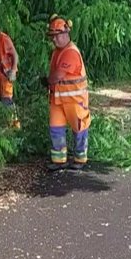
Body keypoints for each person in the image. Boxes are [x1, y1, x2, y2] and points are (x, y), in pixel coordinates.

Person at [42, 14, 91, 171]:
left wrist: (47, 81)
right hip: (58, 100)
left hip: (74, 100)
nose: (53, 40)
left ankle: (80, 159)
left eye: (56, 36)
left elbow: (57, 76)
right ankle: (59, 160)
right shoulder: (58, 51)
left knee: (79, 128)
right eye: (52, 37)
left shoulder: (71, 52)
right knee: (56, 129)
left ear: (65, 34)